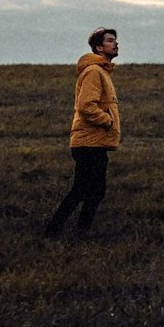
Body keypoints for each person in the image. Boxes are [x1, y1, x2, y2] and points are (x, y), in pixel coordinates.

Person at [44, 27, 121, 239]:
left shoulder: (101, 71)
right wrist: (107, 121)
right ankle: (67, 234)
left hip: (92, 142)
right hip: (90, 142)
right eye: (110, 41)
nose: (116, 44)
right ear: (98, 47)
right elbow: (86, 106)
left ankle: (63, 233)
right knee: (88, 191)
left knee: (88, 191)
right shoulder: (94, 72)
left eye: (115, 41)